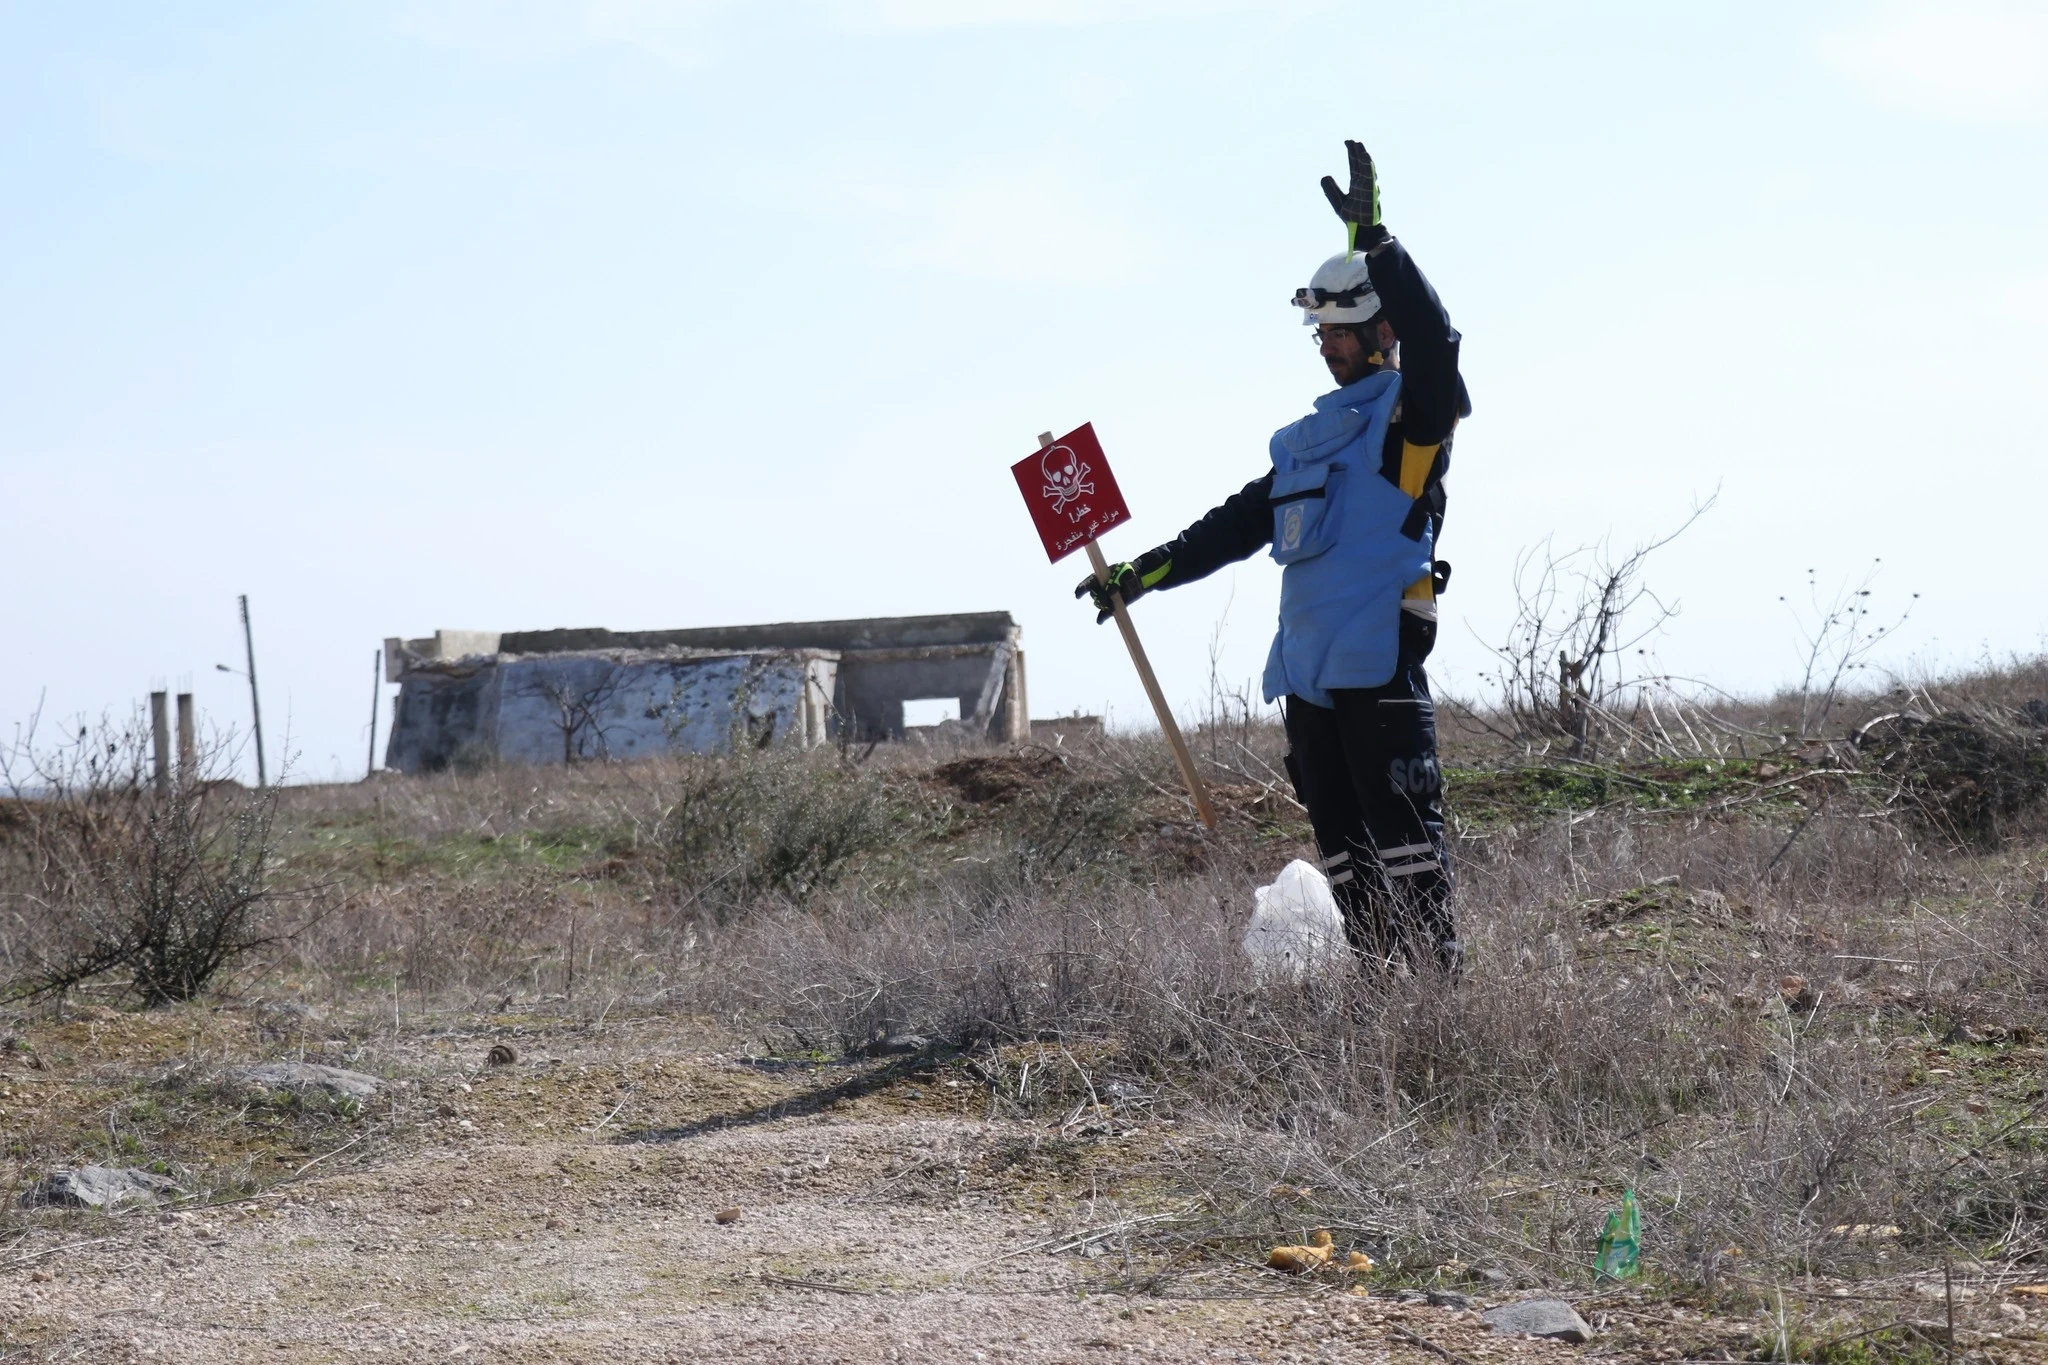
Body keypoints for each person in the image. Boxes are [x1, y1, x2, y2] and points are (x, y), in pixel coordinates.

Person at [1076, 139, 1469, 972]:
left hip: (1381, 676)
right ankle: (1376, 1007)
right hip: (1310, 683)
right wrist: (1138, 575)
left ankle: (1439, 1011)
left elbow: (1438, 343)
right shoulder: (1305, 444)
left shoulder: (1411, 428)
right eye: (1318, 330)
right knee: (1349, 869)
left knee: (1409, 860)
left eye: (1338, 330)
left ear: (1379, 331)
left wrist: (1377, 243)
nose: (1325, 344)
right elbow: (1233, 525)